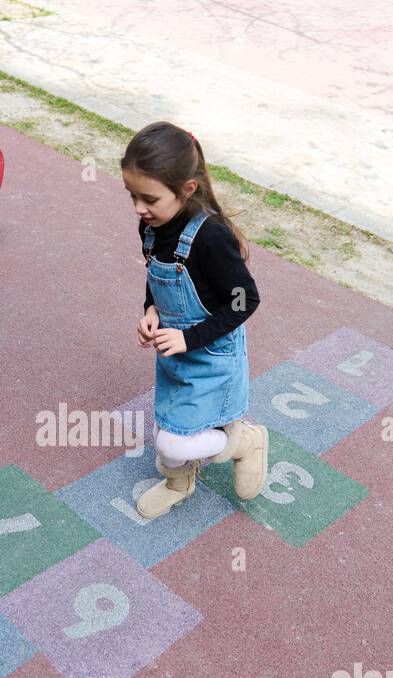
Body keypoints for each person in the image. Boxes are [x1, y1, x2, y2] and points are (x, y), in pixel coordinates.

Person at [120, 121, 269, 519]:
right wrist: (150, 310)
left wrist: (190, 339)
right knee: (167, 428)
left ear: (187, 188)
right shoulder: (151, 226)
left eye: (148, 198)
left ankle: (244, 442)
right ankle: (178, 483)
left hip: (212, 355)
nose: (138, 207)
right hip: (175, 350)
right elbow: (157, 276)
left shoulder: (210, 236)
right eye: (132, 195)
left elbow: (244, 299)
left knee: (171, 443)